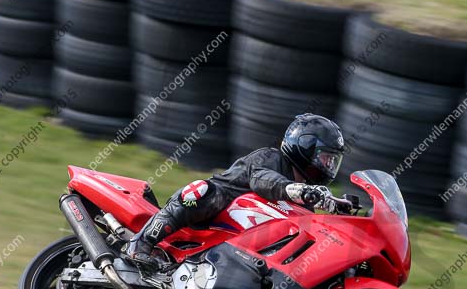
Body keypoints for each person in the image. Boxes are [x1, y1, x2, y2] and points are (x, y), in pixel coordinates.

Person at [127, 113, 347, 270]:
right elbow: (263, 180)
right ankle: (141, 243)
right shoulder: (270, 158)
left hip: (245, 243)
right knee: (200, 191)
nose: (328, 166)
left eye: (332, 161)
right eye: (325, 158)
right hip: (218, 209)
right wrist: (299, 190)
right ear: (305, 148)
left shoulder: (305, 202)